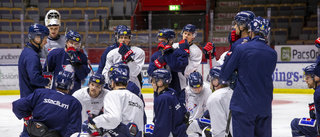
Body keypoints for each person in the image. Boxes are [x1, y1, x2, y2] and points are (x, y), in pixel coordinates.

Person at [220, 16, 276, 137]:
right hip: (264, 108)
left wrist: (232, 50)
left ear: (250, 31)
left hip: (243, 107)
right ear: (267, 33)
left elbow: (224, 74)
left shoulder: (241, 48)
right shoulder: (272, 53)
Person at [12, 70, 82, 137]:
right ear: (71, 85)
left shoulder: (41, 93)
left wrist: (28, 118)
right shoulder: (74, 103)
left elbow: (17, 105)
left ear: (55, 82)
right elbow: (73, 131)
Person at [87, 63, 144, 136]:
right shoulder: (138, 100)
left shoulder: (112, 94)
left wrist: (94, 122)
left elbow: (113, 119)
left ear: (112, 81)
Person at [147, 28, 189, 103]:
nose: (160, 44)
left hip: (178, 90)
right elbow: (150, 72)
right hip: (159, 90)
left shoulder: (180, 53)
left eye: (163, 41)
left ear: (171, 40)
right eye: (159, 41)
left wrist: (167, 53)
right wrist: (156, 64)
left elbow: (176, 67)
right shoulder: (156, 55)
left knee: (179, 114)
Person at [44, 30, 90, 95]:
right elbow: (46, 72)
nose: (73, 45)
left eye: (76, 44)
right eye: (71, 42)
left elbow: (82, 76)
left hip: (74, 94)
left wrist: (77, 64)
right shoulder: (54, 54)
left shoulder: (82, 57)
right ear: (66, 42)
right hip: (56, 92)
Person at [149, 69, 188, 137]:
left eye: (153, 81)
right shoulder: (172, 92)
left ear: (160, 82)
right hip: (181, 132)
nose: (152, 83)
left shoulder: (163, 99)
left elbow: (163, 126)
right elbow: (183, 112)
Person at [18, 23, 51, 98]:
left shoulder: (27, 52)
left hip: (28, 97)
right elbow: (35, 79)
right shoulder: (32, 56)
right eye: (45, 39)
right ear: (37, 38)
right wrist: (47, 81)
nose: (46, 42)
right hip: (32, 101)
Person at [291, 64, 319, 137]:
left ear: (315, 78)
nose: (305, 80)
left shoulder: (318, 92)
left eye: (307, 78)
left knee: (295, 123)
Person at [206, 66, 235, 137]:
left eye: (211, 80)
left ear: (216, 81)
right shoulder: (233, 92)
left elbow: (219, 131)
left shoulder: (215, 98)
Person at [185, 72, 212, 136]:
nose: (197, 90)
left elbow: (208, 112)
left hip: (202, 121)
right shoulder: (186, 91)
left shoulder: (208, 90)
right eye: (194, 88)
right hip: (190, 122)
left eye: (199, 87)